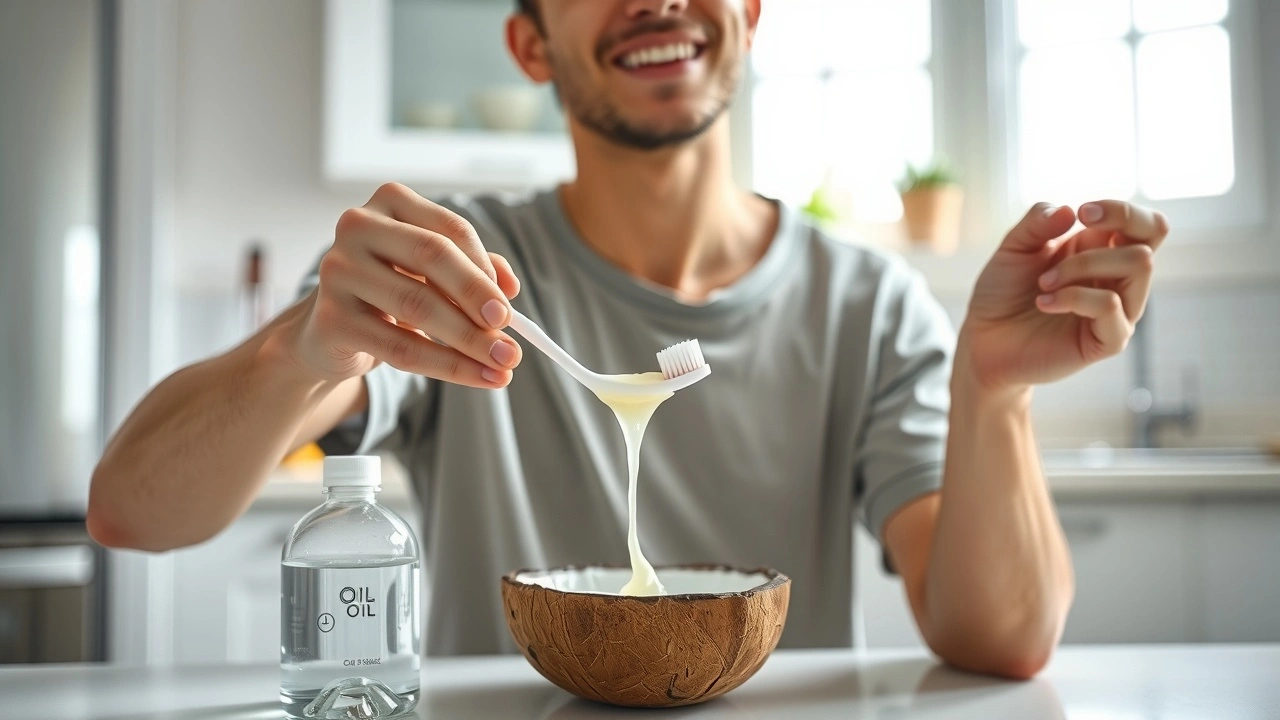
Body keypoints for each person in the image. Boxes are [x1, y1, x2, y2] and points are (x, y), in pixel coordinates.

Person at [89, 0, 1166, 678]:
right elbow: (132, 510)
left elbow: (1000, 639)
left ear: (750, 12)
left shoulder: (869, 305)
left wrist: (995, 393)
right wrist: (303, 350)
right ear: (531, 43)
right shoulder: (456, 272)